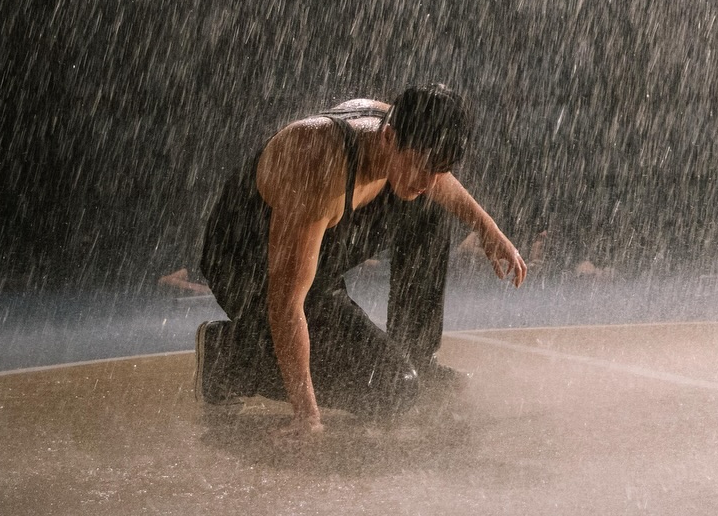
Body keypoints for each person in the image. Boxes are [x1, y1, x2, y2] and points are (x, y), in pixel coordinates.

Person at [195, 84, 526, 436]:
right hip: (246, 264)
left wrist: (487, 229)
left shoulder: (401, 134)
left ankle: (419, 356)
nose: (428, 181)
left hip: (320, 248)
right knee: (393, 390)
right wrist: (306, 414)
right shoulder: (317, 163)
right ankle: (227, 357)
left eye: (439, 169)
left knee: (431, 208)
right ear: (388, 138)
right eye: (419, 165)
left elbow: (435, 180)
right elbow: (285, 305)